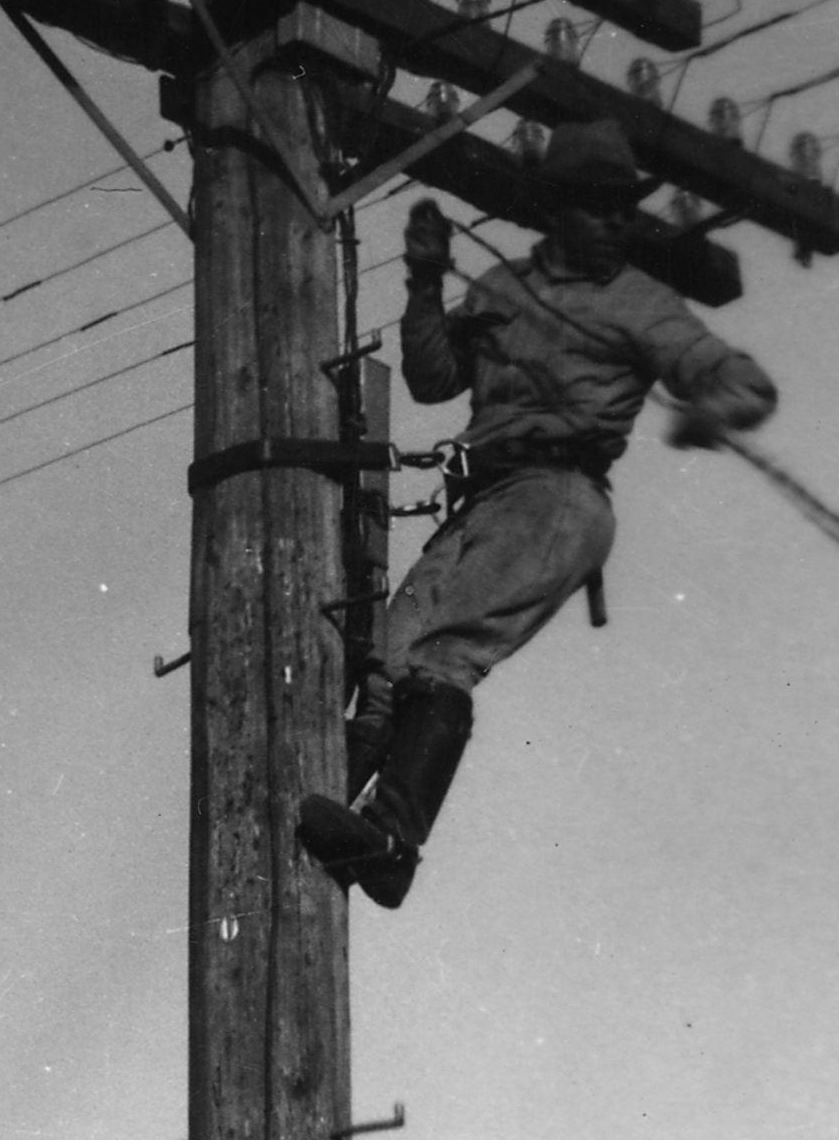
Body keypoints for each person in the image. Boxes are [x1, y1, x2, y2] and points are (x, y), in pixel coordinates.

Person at [297, 119, 778, 910]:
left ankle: (391, 843)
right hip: (487, 496)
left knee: (439, 654)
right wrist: (423, 283)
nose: (615, 223)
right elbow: (432, 378)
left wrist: (711, 412)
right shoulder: (499, 291)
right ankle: (328, 799)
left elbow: (744, 383)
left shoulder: (637, 302)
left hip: (558, 498)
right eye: (598, 207)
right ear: (556, 209)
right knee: (388, 651)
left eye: (623, 210)